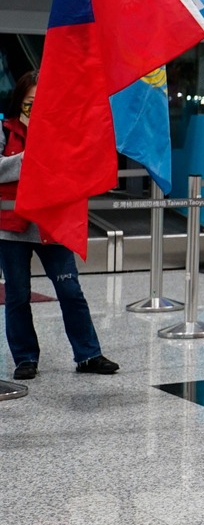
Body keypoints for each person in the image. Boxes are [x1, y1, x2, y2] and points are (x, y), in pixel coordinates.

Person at [0, 71, 117, 379]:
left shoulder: (61, 131)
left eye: (41, 102)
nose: (34, 108)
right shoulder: (4, 129)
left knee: (70, 290)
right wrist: (29, 160)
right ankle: (25, 358)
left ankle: (88, 354)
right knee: (17, 295)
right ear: (19, 101)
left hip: (54, 226)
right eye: (29, 102)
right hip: (11, 228)